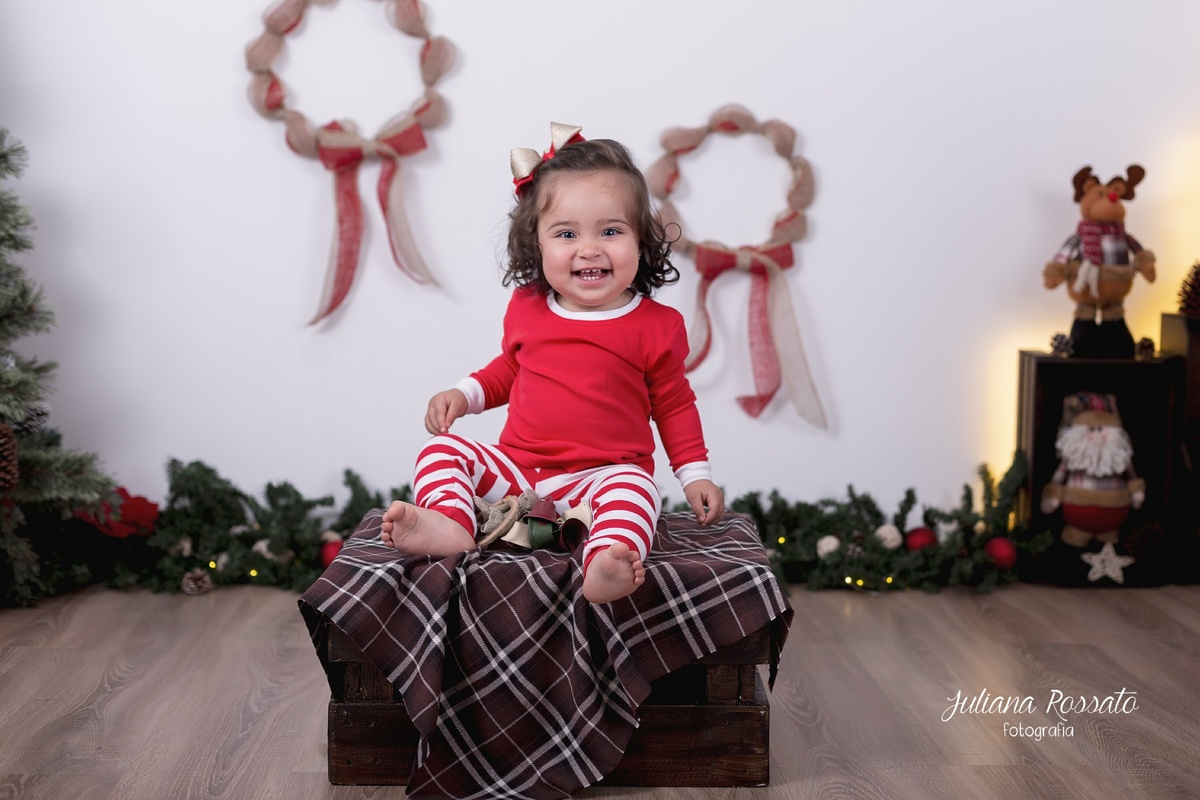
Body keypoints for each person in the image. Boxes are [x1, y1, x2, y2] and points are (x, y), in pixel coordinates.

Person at [381, 123, 725, 604]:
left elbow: (673, 405)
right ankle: (452, 525)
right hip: (520, 477)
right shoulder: (528, 307)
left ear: (641, 240)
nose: (590, 248)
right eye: (566, 234)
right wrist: (464, 394)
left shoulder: (657, 325)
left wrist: (695, 475)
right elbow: (508, 370)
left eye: (611, 231)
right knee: (439, 452)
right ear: (536, 244)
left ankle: (606, 559)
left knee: (638, 489)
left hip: (601, 477)